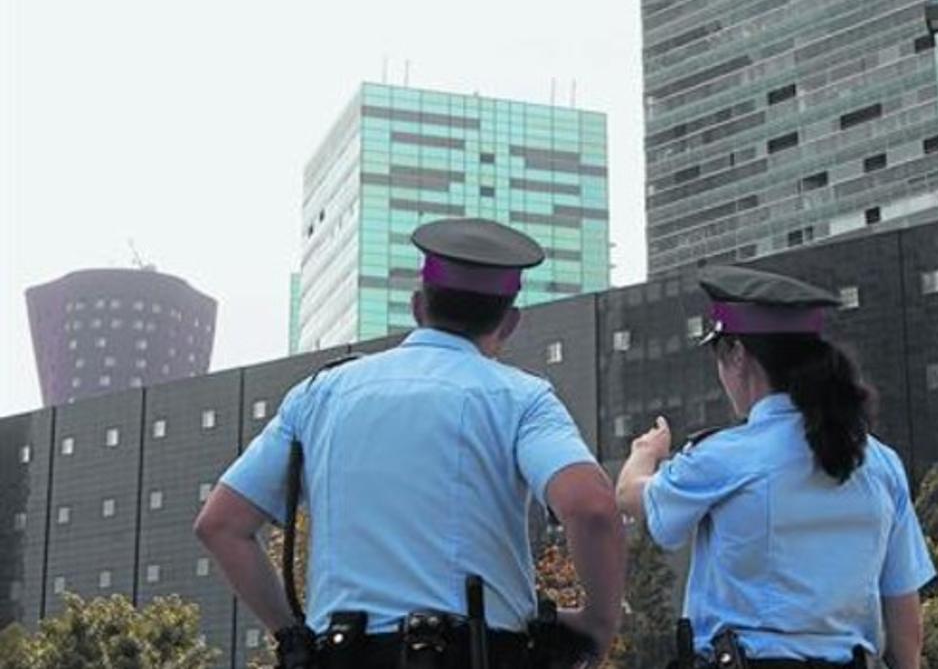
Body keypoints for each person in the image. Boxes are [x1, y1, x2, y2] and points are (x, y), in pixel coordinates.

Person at [195, 219, 625, 668]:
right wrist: (599, 623)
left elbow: (220, 524)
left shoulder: (319, 394)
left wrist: (295, 637)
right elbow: (592, 507)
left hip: (341, 654)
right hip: (475, 654)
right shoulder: (520, 398)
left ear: (419, 306)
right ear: (510, 322)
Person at [616, 265, 934, 669]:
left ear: (736, 354)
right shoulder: (879, 462)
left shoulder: (724, 457)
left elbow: (629, 497)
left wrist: (646, 452)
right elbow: (903, 611)